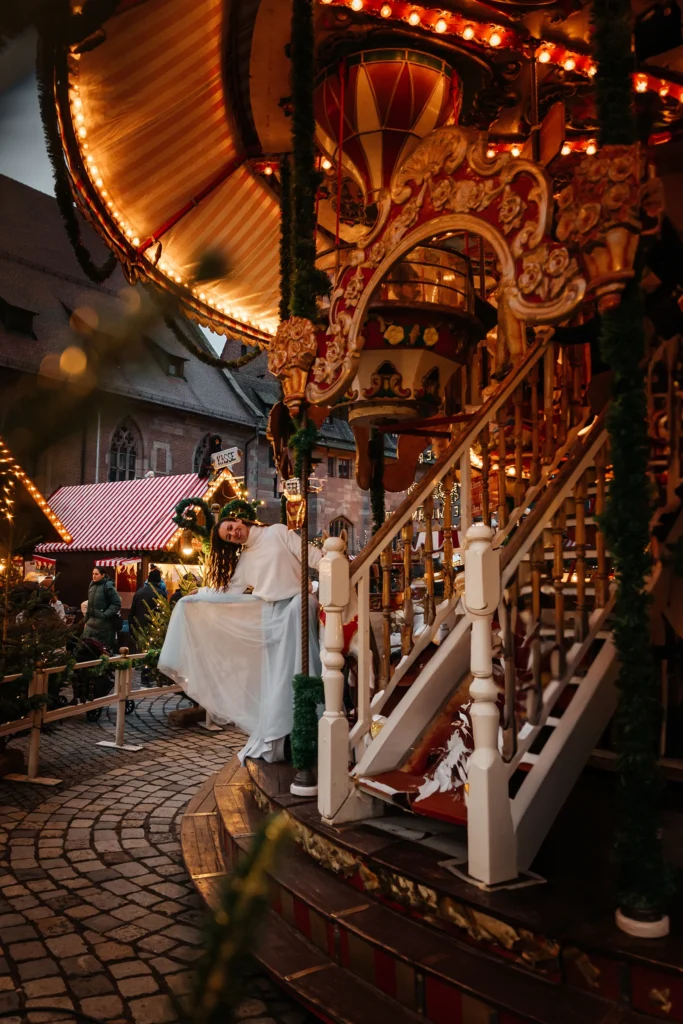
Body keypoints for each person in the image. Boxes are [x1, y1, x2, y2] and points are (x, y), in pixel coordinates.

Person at [159, 499, 322, 763]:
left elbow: (312, 556)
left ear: (238, 521)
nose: (234, 534)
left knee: (296, 655)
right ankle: (285, 732)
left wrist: (335, 564)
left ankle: (311, 723)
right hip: (272, 616)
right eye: (229, 536)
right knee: (277, 675)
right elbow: (229, 592)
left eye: (232, 527)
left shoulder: (277, 532)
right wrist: (199, 595)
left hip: (298, 604)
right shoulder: (245, 559)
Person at [82, 567, 122, 650]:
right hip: (91, 623)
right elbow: (90, 605)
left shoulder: (108, 586)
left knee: (102, 649)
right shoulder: (92, 585)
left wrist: (105, 615)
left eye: (96, 574)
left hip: (104, 625)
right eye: (93, 574)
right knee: (86, 648)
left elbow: (117, 603)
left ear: (103, 575)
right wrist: (85, 620)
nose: (94, 576)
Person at [129, 567, 163, 642]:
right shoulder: (160, 593)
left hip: (139, 628)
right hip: (154, 629)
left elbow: (132, 612)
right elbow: (162, 612)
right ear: (158, 580)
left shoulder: (139, 592)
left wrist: (132, 629)